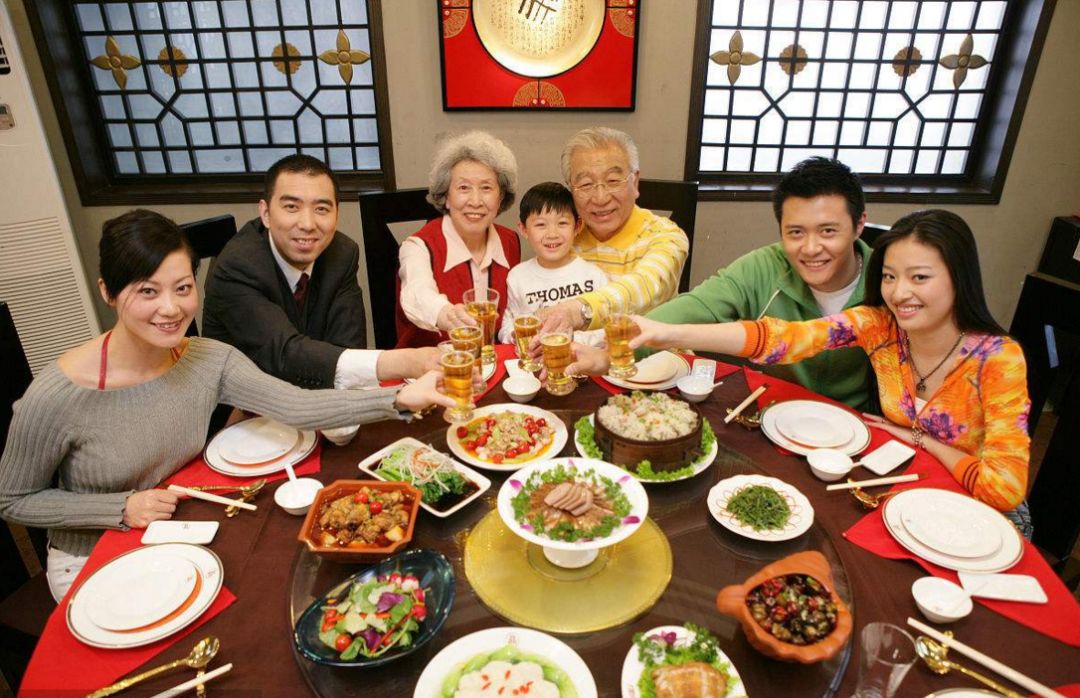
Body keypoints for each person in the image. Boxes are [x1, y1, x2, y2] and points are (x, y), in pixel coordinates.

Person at [0, 210, 453, 599]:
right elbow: (13, 499)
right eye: (147, 291)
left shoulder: (207, 358)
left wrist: (397, 396)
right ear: (108, 292)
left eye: (182, 288)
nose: (170, 308)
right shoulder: (59, 394)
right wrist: (119, 508)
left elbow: (295, 406)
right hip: (92, 555)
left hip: (180, 527)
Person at [570, 210, 1032, 530]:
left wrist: (923, 439)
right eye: (890, 276)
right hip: (902, 489)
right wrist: (664, 333)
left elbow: (1004, 488)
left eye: (920, 277)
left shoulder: (998, 358)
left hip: (978, 518)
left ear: (959, 275)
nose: (900, 292)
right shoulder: (879, 327)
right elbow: (778, 339)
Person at [202, 155, 438, 441]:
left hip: (316, 408)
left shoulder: (341, 253)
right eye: (291, 207)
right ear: (265, 213)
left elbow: (347, 343)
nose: (307, 224)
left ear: (337, 213)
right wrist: (403, 362)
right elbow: (285, 353)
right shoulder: (239, 266)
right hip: (242, 422)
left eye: (322, 208)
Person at [645, 156, 874, 411]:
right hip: (774, 416)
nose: (810, 248)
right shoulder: (764, 266)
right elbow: (695, 307)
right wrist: (614, 346)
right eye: (796, 232)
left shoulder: (891, 283)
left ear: (859, 224)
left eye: (828, 231)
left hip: (861, 427)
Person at [536, 127, 689, 335]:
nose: (600, 198)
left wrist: (580, 310)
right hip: (576, 362)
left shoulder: (667, 236)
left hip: (651, 359)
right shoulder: (563, 239)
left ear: (634, 182)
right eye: (586, 184)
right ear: (571, 189)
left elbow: (644, 286)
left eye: (613, 181)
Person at [396, 130, 521, 347]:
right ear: (445, 196)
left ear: (500, 198)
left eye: (486, 188)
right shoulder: (417, 247)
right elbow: (417, 293)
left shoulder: (510, 241)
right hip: (430, 370)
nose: (475, 200)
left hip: (493, 368)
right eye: (463, 188)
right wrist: (446, 313)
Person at [497, 182, 607, 347]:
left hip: (582, 362)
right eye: (541, 225)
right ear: (524, 229)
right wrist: (515, 335)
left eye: (562, 223)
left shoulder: (593, 275)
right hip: (535, 362)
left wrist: (567, 340)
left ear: (577, 226)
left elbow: (605, 331)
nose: (552, 234)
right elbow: (506, 326)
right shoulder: (517, 276)